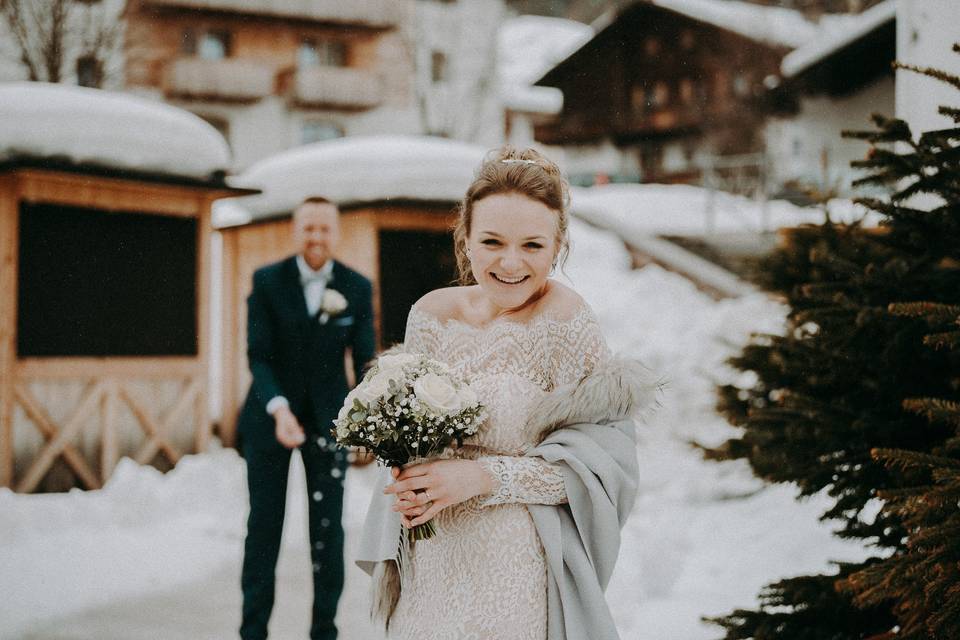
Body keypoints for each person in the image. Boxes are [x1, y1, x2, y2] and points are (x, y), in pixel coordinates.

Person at [356, 148, 657, 640]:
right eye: (492, 241)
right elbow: (411, 432)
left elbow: (594, 476)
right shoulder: (430, 316)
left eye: (532, 246)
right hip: (431, 556)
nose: (510, 263)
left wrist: (482, 475)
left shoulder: (567, 322)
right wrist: (406, 468)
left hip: (515, 563)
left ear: (558, 246)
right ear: (466, 238)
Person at [237, 196, 375, 640]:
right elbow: (258, 358)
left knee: (328, 531)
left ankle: (325, 631)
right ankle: (253, 631)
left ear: (336, 233)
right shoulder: (267, 281)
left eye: (324, 229)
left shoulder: (356, 287)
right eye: (308, 228)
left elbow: (367, 361)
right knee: (263, 527)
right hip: (269, 419)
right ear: (296, 231)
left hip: (329, 424)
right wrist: (278, 409)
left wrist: (365, 427)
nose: (316, 237)